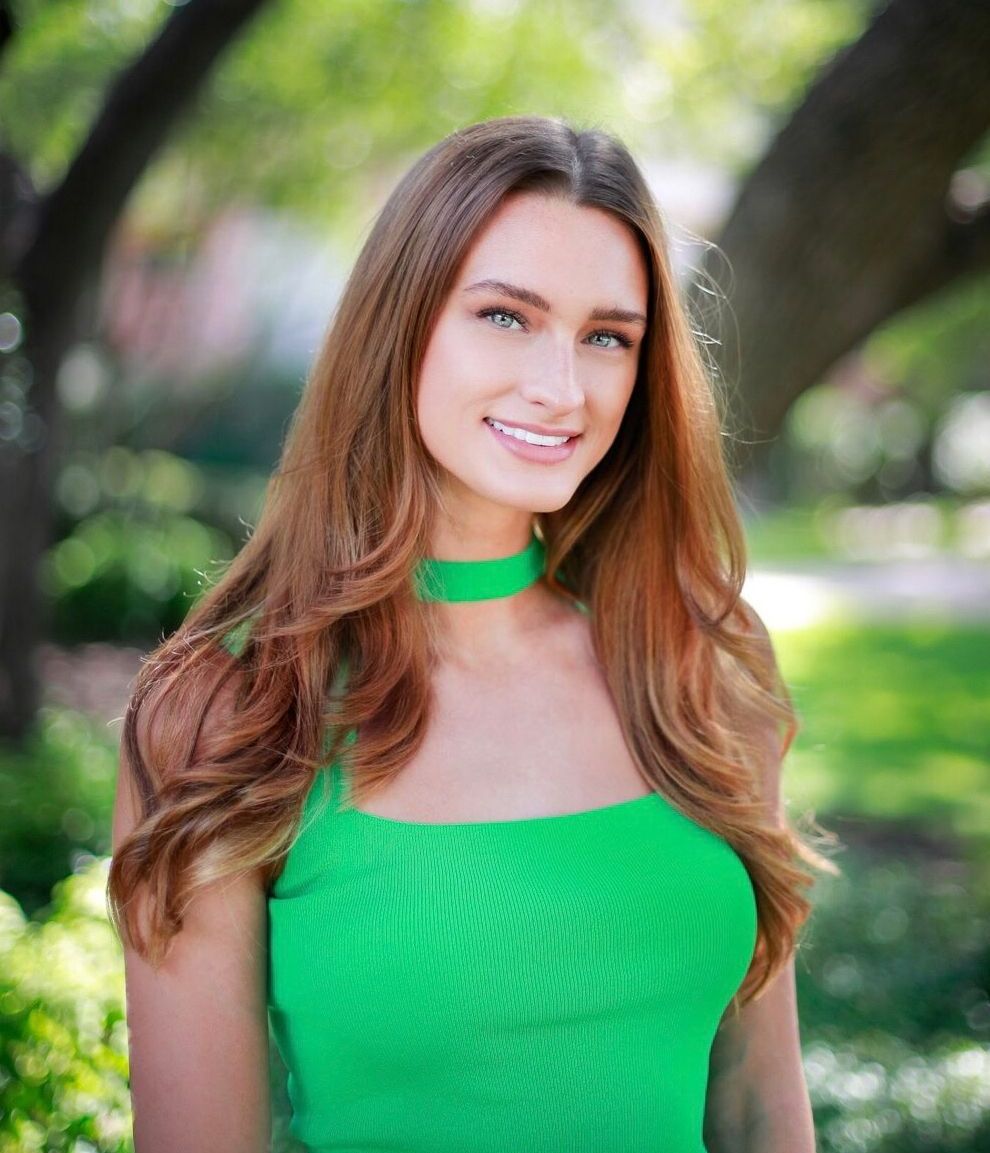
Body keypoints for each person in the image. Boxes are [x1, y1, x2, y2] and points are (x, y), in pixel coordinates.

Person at [108, 114, 838, 1153]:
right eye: (506, 317)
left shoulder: (700, 665)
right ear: (399, 325)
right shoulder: (229, 711)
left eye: (607, 337)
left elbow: (763, 1105)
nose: (563, 387)